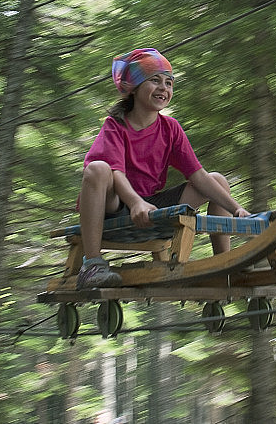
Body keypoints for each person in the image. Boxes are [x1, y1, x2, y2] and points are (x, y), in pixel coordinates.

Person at [76, 48, 250, 289]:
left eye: (169, 83)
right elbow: (116, 173)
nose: (164, 88)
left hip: (151, 205)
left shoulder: (170, 128)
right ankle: (92, 266)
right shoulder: (115, 125)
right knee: (98, 168)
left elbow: (197, 175)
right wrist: (135, 203)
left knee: (217, 180)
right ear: (134, 88)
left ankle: (223, 267)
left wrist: (236, 208)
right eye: (155, 80)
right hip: (115, 206)